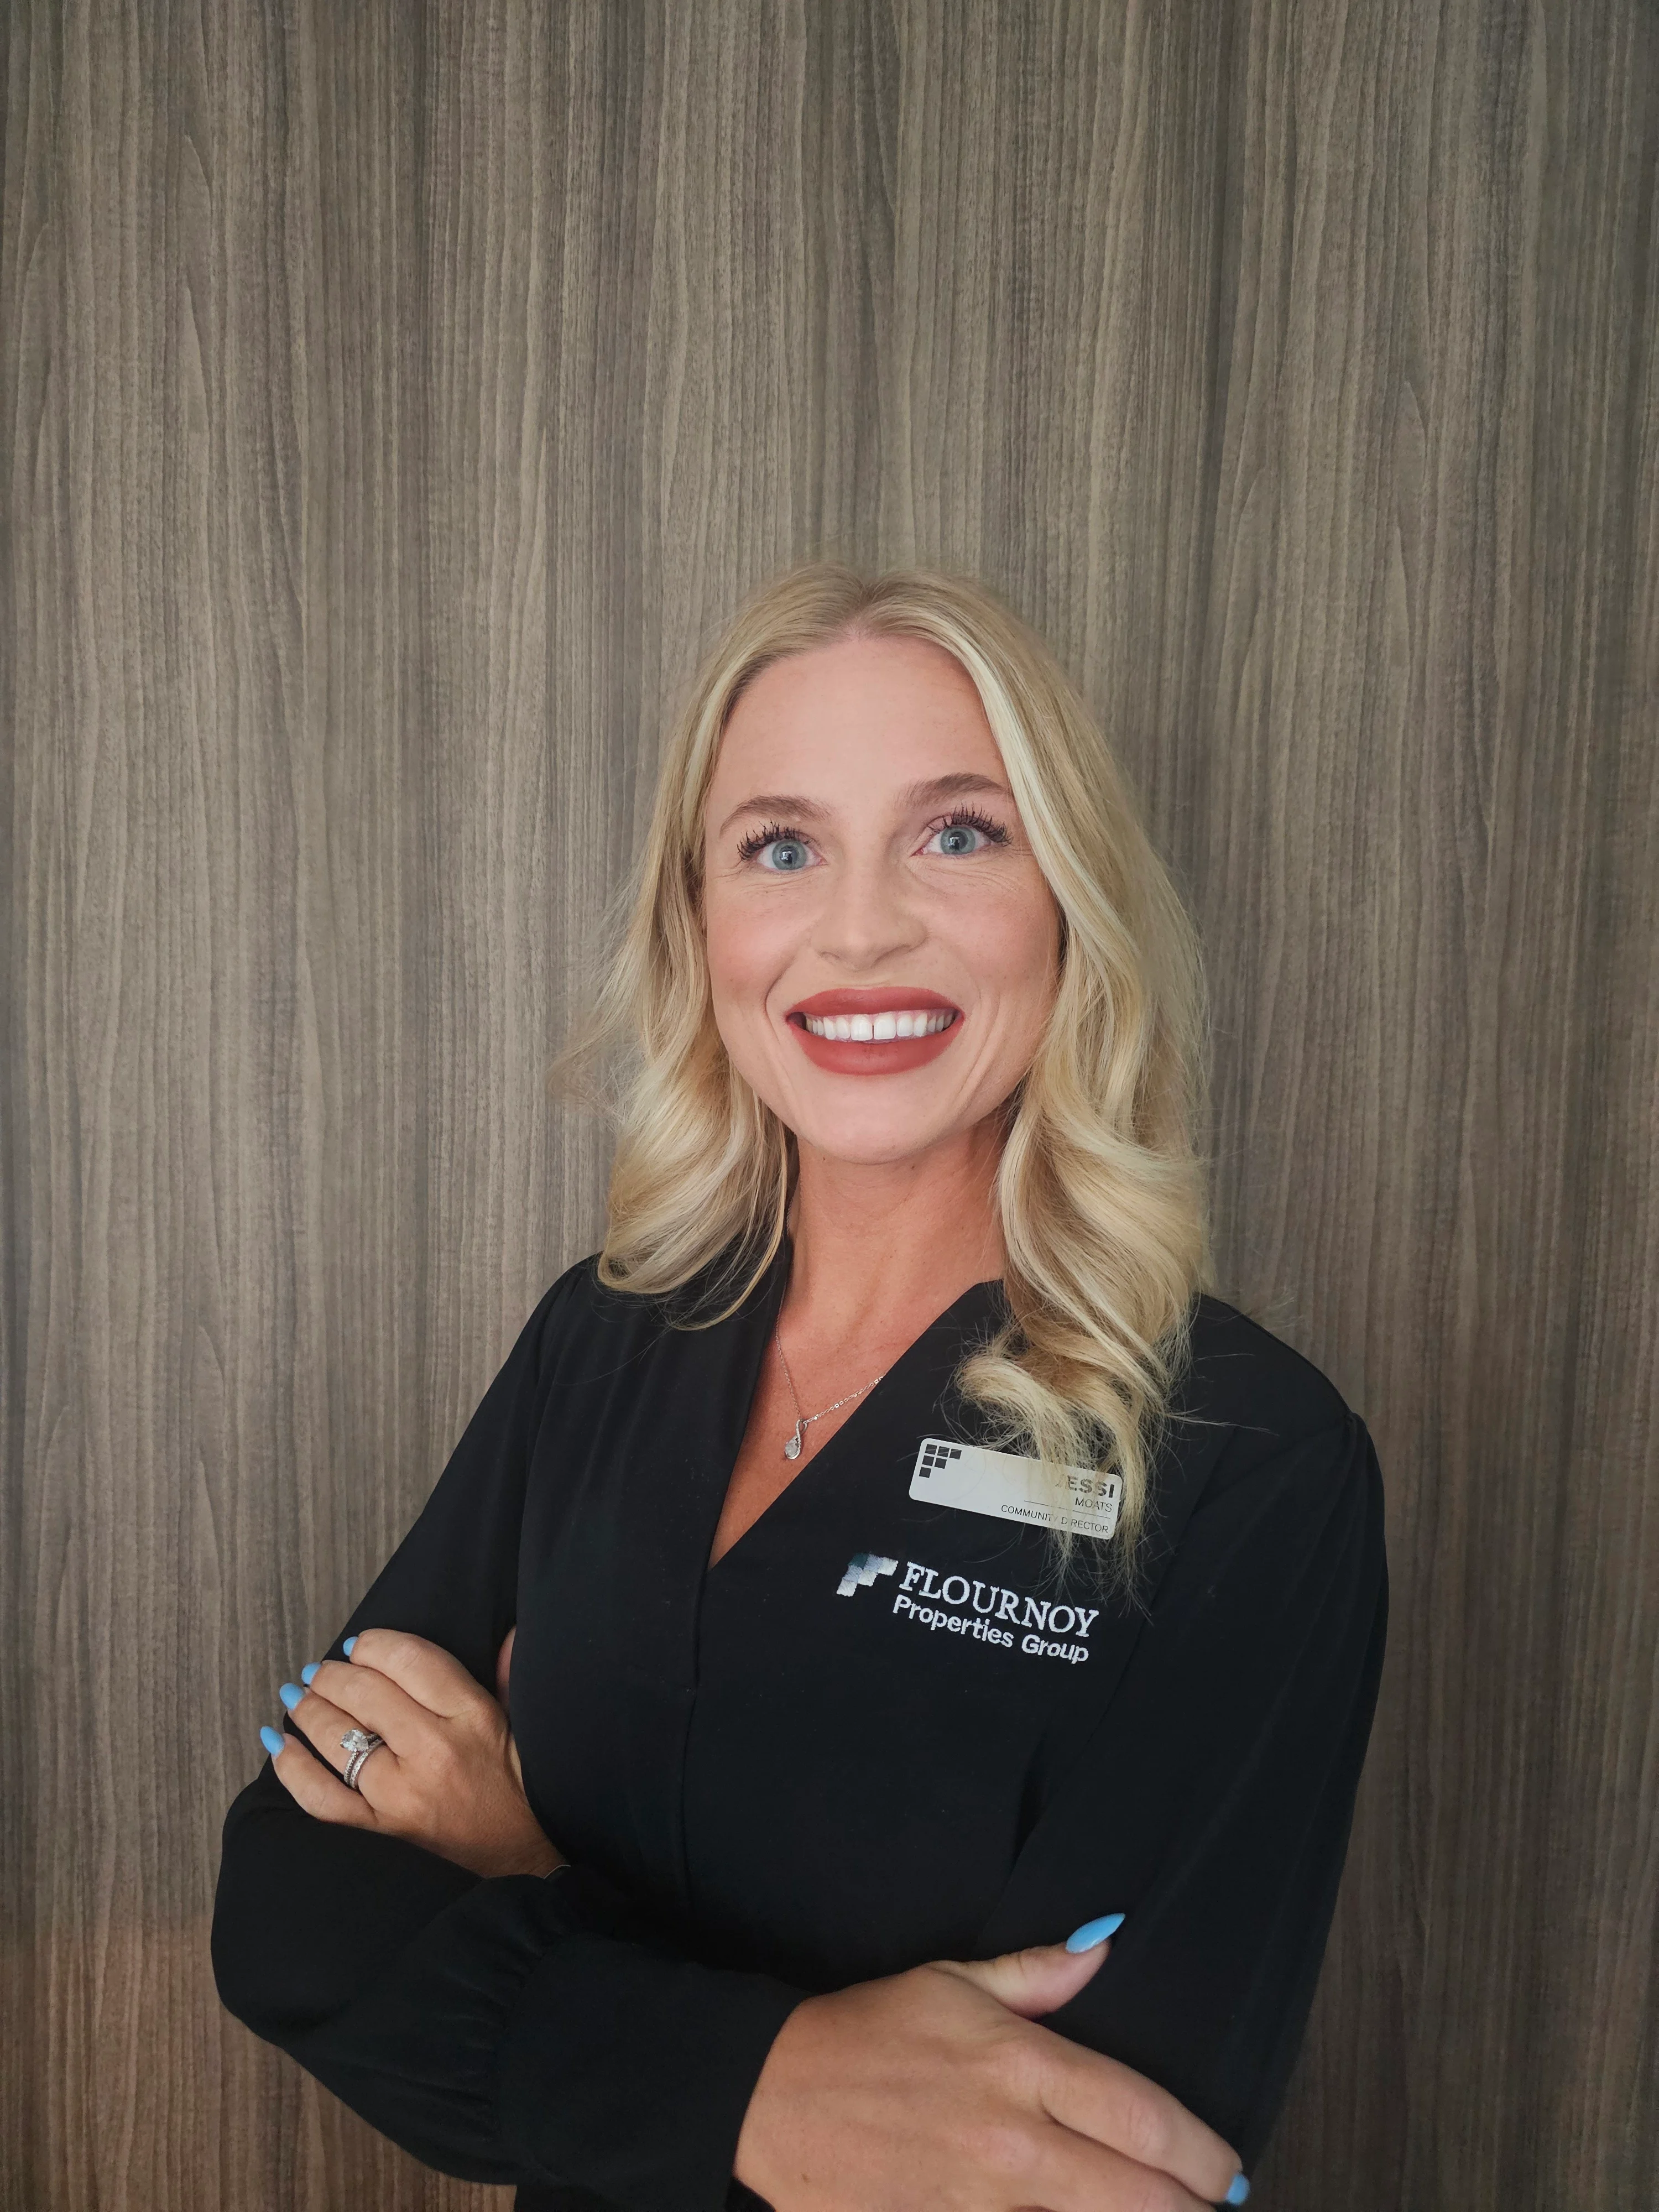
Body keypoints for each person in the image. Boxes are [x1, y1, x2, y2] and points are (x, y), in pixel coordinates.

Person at [212, 564, 1387, 2212]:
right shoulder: (608, 1341)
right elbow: (287, 1903)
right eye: (782, 847)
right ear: (701, 928)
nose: (859, 927)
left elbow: (1078, 2164)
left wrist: (522, 1881)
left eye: (959, 832)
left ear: (1073, 898)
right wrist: (787, 2089)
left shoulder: (1254, 1467)